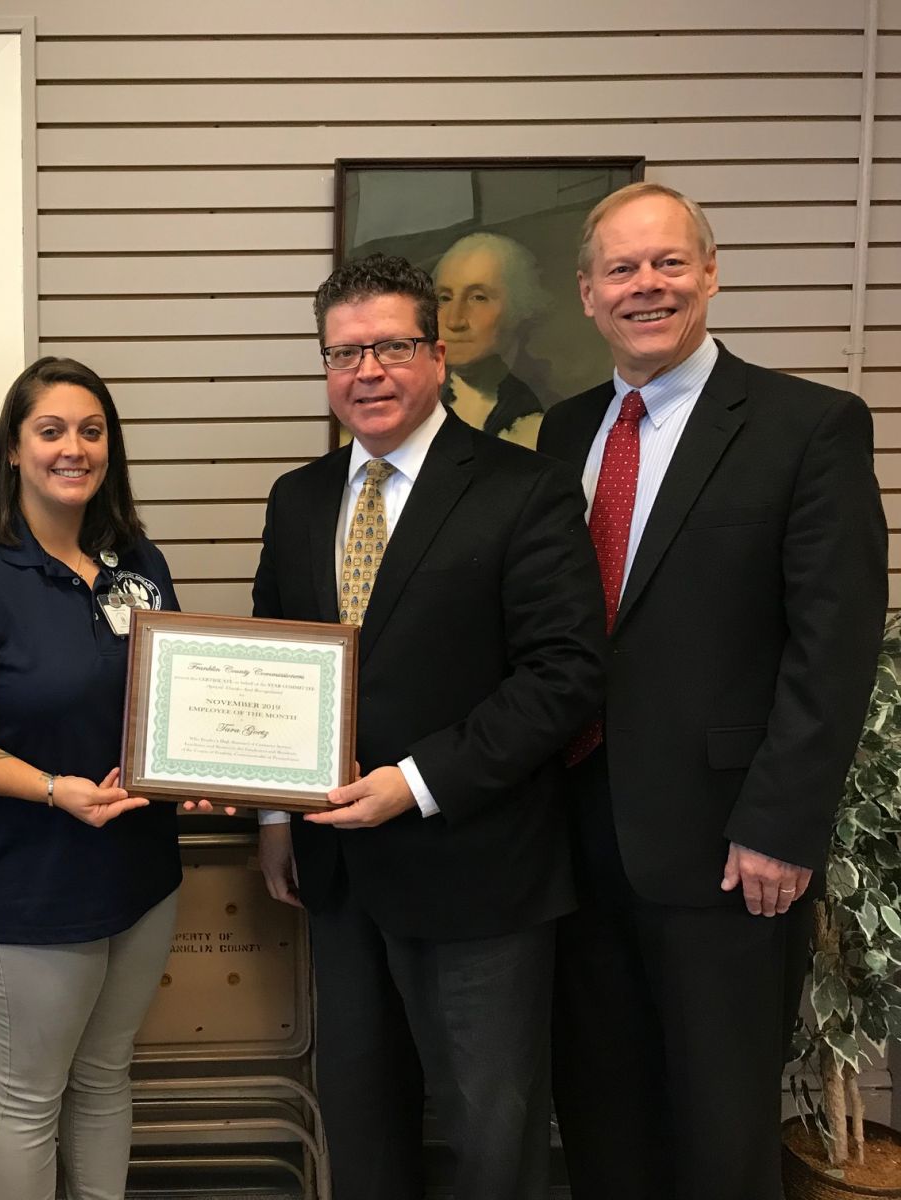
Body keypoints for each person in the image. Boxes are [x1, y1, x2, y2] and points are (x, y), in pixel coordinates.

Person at [540, 182, 888, 1200]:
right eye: (621, 269)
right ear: (587, 295)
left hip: (728, 846)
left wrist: (781, 825)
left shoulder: (805, 427)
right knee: (600, 1114)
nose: (645, 285)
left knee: (717, 1128)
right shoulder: (564, 436)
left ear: (709, 273)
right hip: (574, 832)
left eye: (666, 263)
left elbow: (834, 643)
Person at [253, 253, 605, 1200]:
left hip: (477, 871)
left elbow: (564, 676)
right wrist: (274, 816)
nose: (365, 371)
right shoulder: (299, 499)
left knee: (492, 1134)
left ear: (436, 355)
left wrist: (411, 782)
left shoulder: (522, 490)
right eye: (343, 353)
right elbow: (278, 665)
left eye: (390, 347)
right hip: (337, 874)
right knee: (359, 1122)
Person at [0, 357, 182, 1200]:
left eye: (91, 431)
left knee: (106, 1075)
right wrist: (53, 788)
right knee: (29, 1095)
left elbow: (172, 692)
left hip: (144, 872)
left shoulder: (139, 559)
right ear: (13, 451)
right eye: (50, 431)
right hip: (36, 880)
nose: (73, 449)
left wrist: (197, 765)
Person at [433, 231, 553, 447]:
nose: (454, 321)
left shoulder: (543, 413)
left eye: (478, 297)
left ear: (520, 306)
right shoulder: (420, 403)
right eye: (445, 298)